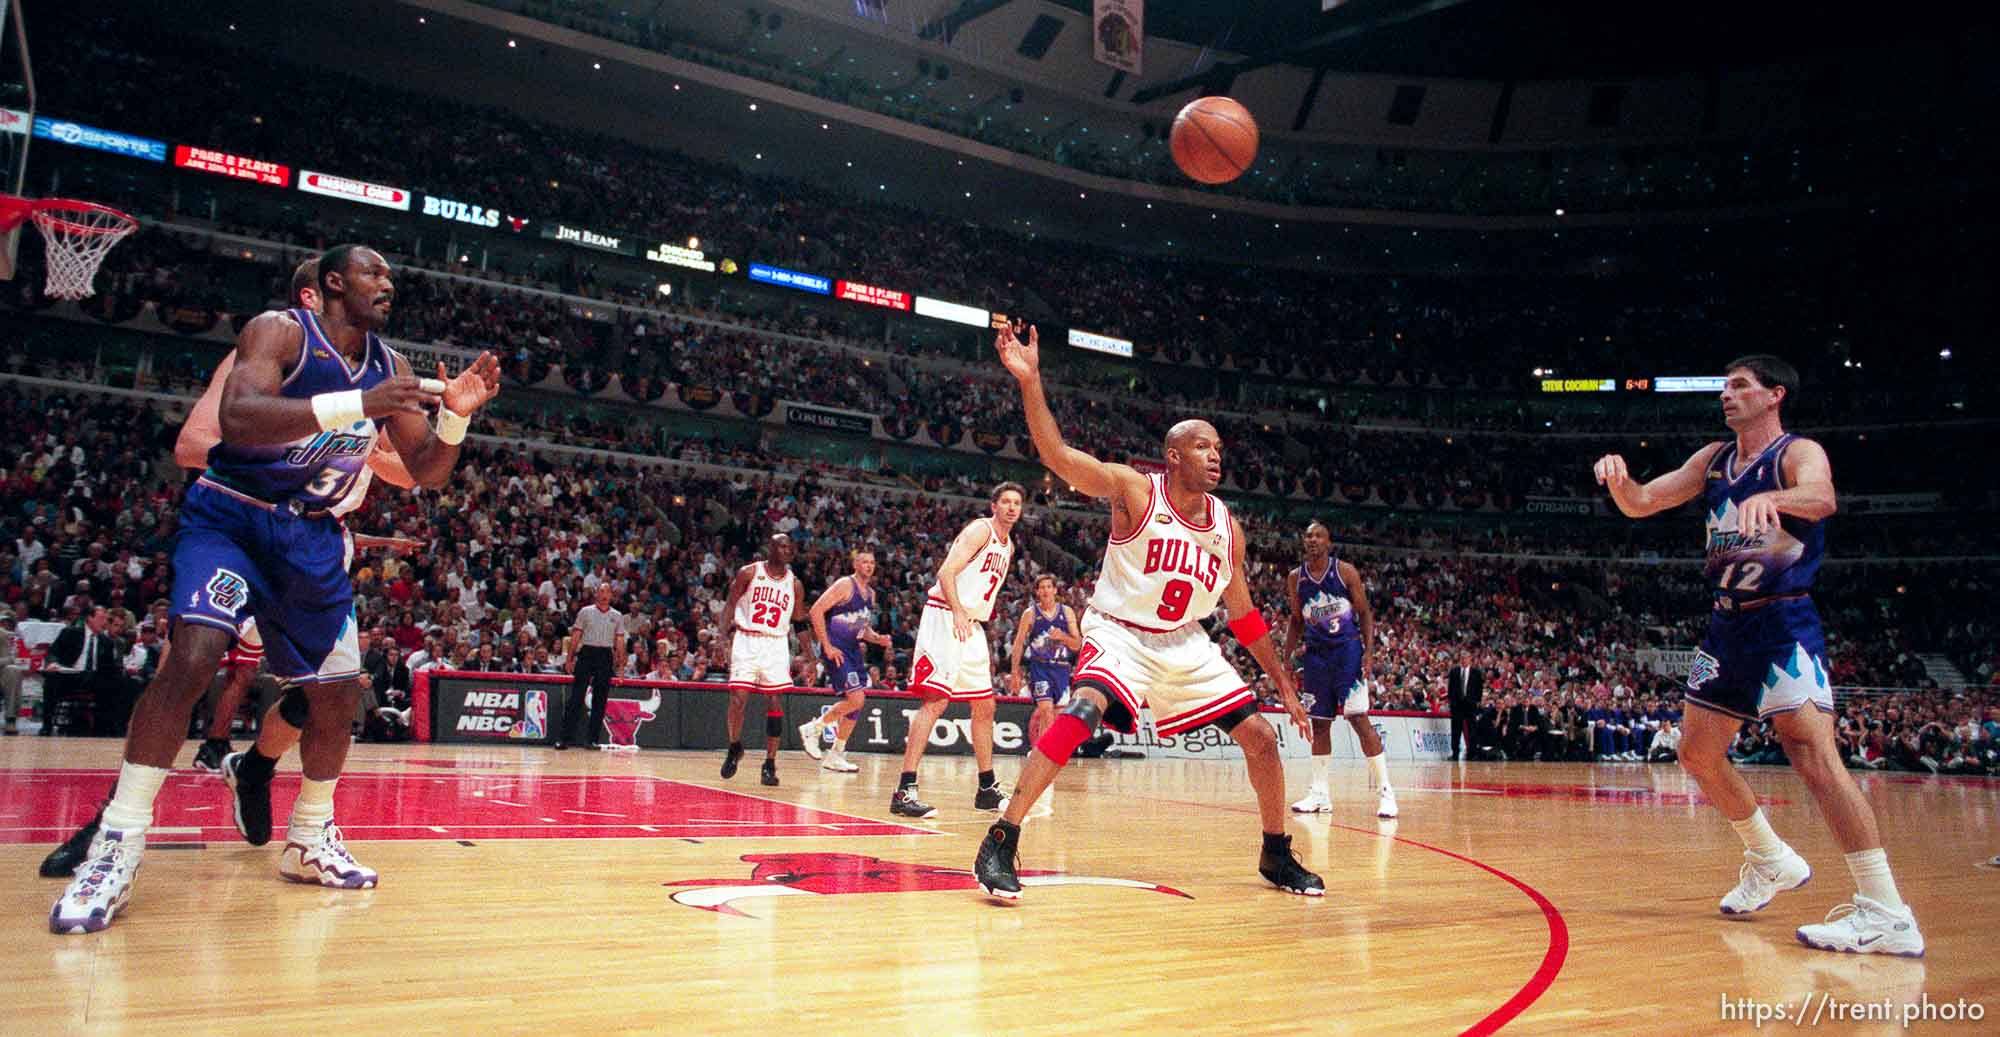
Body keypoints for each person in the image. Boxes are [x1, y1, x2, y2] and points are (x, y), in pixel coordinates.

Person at [50, 243, 501, 934]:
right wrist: (352, 409)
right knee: (194, 656)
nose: (387, 281)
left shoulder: (392, 368)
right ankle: (115, 840)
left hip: (312, 540)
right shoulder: (277, 331)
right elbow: (231, 422)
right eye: (371, 272)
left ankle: (307, 832)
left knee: (336, 692)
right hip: (234, 514)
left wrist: (457, 418)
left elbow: (427, 472)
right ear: (326, 287)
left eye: (390, 273)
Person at [974, 323, 1321, 899]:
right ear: (1173, 455)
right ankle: (1003, 836)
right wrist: (1031, 382)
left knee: (1260, 737)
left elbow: (1243, 613)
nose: (1215, 456)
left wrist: (1281, 682)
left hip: (1184, 641)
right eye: (1203, 446)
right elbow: (1058, 457)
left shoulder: (1227, 527)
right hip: (1119, 632)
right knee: (1083, 711)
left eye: (1219, 448)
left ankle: (1276, 852)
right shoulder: (1136, 491)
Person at [1593, 354, 1922, 956]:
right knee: (1696, 755)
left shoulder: (1798, 453)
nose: (1727, 395)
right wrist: (1619, 480)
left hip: (1782, 622)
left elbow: (1822, 498)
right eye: (1723, 386)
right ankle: (1769, 857)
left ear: (1774, 396)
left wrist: (1779, 498)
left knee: (1812, 756)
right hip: (1724, 629)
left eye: (1740, 386)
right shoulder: (1713, 460)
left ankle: (1887, 912)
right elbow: (1642, 503)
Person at [893, 483, 1023, 819]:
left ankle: (986, 788)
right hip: (946, 615)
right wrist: (959, 611)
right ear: (993, 505)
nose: (1011, 508)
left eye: (1017, 503)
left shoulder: (1009, 546)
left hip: (972, 625)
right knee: (935, 701)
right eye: (1005, 502)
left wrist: (974, 618)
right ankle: (904, 790)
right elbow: (946, 571)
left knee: (985, 705)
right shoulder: (980, 530)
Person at [1284, 521, 1395, 820]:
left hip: (1347, 653)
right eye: (1308, 535)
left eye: (1318, 535)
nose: (1312, 540)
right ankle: (1320, 794)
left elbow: (1364, 613)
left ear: (1329, 542)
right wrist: (1285, 658)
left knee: (1359, 719)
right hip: (1316, 658)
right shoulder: (1296, 578)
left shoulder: (1345, 572)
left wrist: (1369, 652)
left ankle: (1386, 793)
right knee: (1319, 724)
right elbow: (1296, 619)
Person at [716, 533, 806, 786]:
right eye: (782, 546)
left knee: (774, 700)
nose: (788, 550)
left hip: (776, 643)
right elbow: (730, 605)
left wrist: (810, 656)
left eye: (791, 546)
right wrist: (721, 637)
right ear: (771, 548)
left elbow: (799, 622)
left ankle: (770, 763)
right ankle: (735, 746)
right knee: (738, 699)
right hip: (746, 638)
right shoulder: (749, 573)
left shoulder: (795, 584)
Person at [800, 549, 892, 773]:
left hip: (852, 651)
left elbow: (861, 627)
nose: (869, 566)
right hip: (837, 650)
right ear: (855, 565)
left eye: (872, 562)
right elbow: (815, 610)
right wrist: (827, 646)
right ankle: (814, 728)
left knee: (856, 705)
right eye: (864, 562)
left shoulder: (870, 594)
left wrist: (877, 639)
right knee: (856, 698)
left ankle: (836, 754)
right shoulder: (844, 585)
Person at [1006, 574, 1080, 817]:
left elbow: (1077, 644)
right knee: (1046, 710)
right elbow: (1018, 644)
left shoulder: (1066, 612)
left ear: (1054, 590)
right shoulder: (1031, 614)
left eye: (1050, 587)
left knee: (1058, 715)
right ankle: (1041, 754)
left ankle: (1045, 752)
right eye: (1042, 588)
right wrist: (1015, 672)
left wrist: (1063, 638)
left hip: (1061, 669)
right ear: (1037, 592)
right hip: (1040, 667)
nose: (1046, 591)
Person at [557, 582, 626, 750]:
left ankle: (592, 740)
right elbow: (576, 636)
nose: (604, 594)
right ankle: (565, 738)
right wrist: (570, 658)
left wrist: (621, 665)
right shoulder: (585, 612)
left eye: (607, 591)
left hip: (605, 655)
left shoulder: (617, 616)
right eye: (601, 591)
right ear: (596, 594)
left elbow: (619, 641)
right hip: (587, 653)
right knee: (576, 697)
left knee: (600, 700)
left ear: (611, 595)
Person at [1447, 656, 1484, 761]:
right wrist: (1451, 701)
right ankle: (1455, 753)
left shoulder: (1476, 672)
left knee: (1472, 730)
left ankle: (1472, 753)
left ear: (1470, 660)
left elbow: (1479, 688)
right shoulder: (1454, 671)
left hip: (1470, 705)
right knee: (1455, 730)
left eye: (1466, 658)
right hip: (1456, 706)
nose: (1463, 660)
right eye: (1462, 658)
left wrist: (1477, 701)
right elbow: (1450, 688)